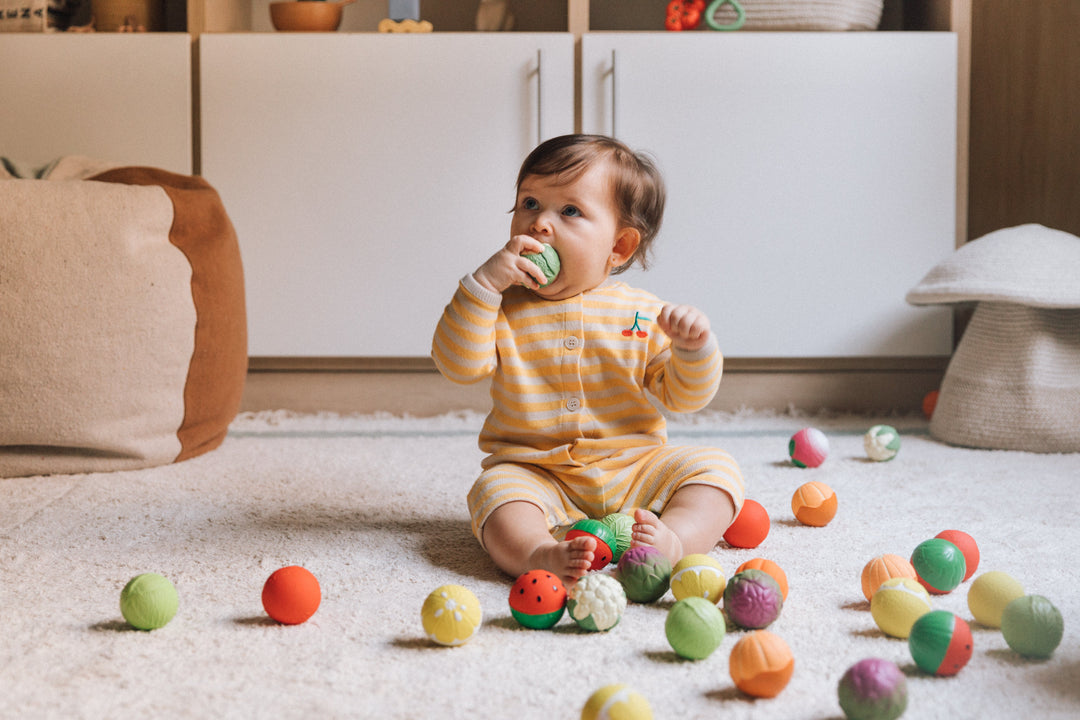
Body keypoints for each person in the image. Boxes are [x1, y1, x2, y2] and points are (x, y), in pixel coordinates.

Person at [432, 134, 744, 586]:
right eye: (530, 203)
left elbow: (682, 397)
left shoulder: (642, 313)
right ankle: (539, 552)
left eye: (570, 211)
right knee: (494, 493)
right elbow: (457, 365)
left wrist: (693, 350)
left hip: (635, 468)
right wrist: (482, 286)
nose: (539, 224)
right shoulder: (500, 306)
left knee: (716, 470)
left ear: (618, 247)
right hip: (539, 471)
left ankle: (674, 540)